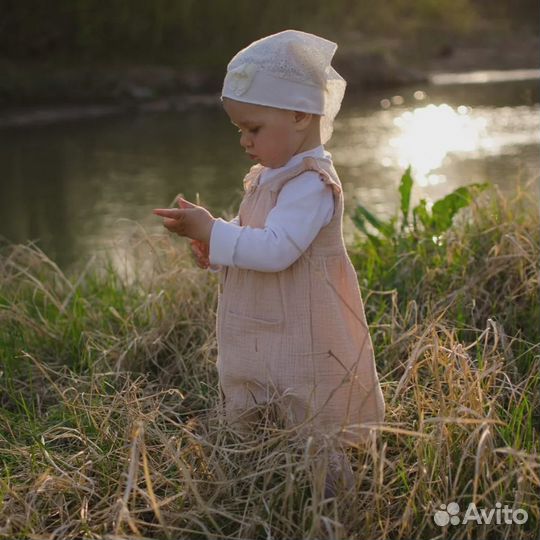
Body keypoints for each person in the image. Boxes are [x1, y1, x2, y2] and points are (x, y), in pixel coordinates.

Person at [153, 29, 385, 497]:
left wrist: (214, 232)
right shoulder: (267, 177)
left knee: (308, 408)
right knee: (252, 393)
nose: (244, 141)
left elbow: (278, 249)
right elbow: (254, 239)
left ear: (301, 114)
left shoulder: (311, 184)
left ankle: (333, 497)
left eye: (253, 128)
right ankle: (254, 480)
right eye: (240, 129)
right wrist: (214, 248)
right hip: (260, 322)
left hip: (302, 325)